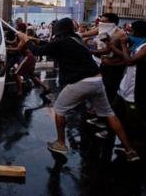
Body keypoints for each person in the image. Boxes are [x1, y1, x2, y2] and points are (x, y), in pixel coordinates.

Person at [16, 18, 140, 162]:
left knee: (59, 110)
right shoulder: (75, 39)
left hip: (81, 82)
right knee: (109, 113)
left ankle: (61, 144)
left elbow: (38, 51)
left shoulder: (62, 42)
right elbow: (49, 45)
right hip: (97, 80)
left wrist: (26, 40)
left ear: (58, 30)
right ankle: (130, 150)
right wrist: (33, 40)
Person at [110, 20, 146, 144]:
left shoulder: (144, 46)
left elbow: (129, 60)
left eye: (131, 31)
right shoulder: (136, 44)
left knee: (133, 118)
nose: (128, 34)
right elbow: (125, 55)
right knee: (114, 110)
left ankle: (135, 143)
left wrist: (124, 45)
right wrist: (113, 46)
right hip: (125, 85)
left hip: (135, 88)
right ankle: (115, 133)